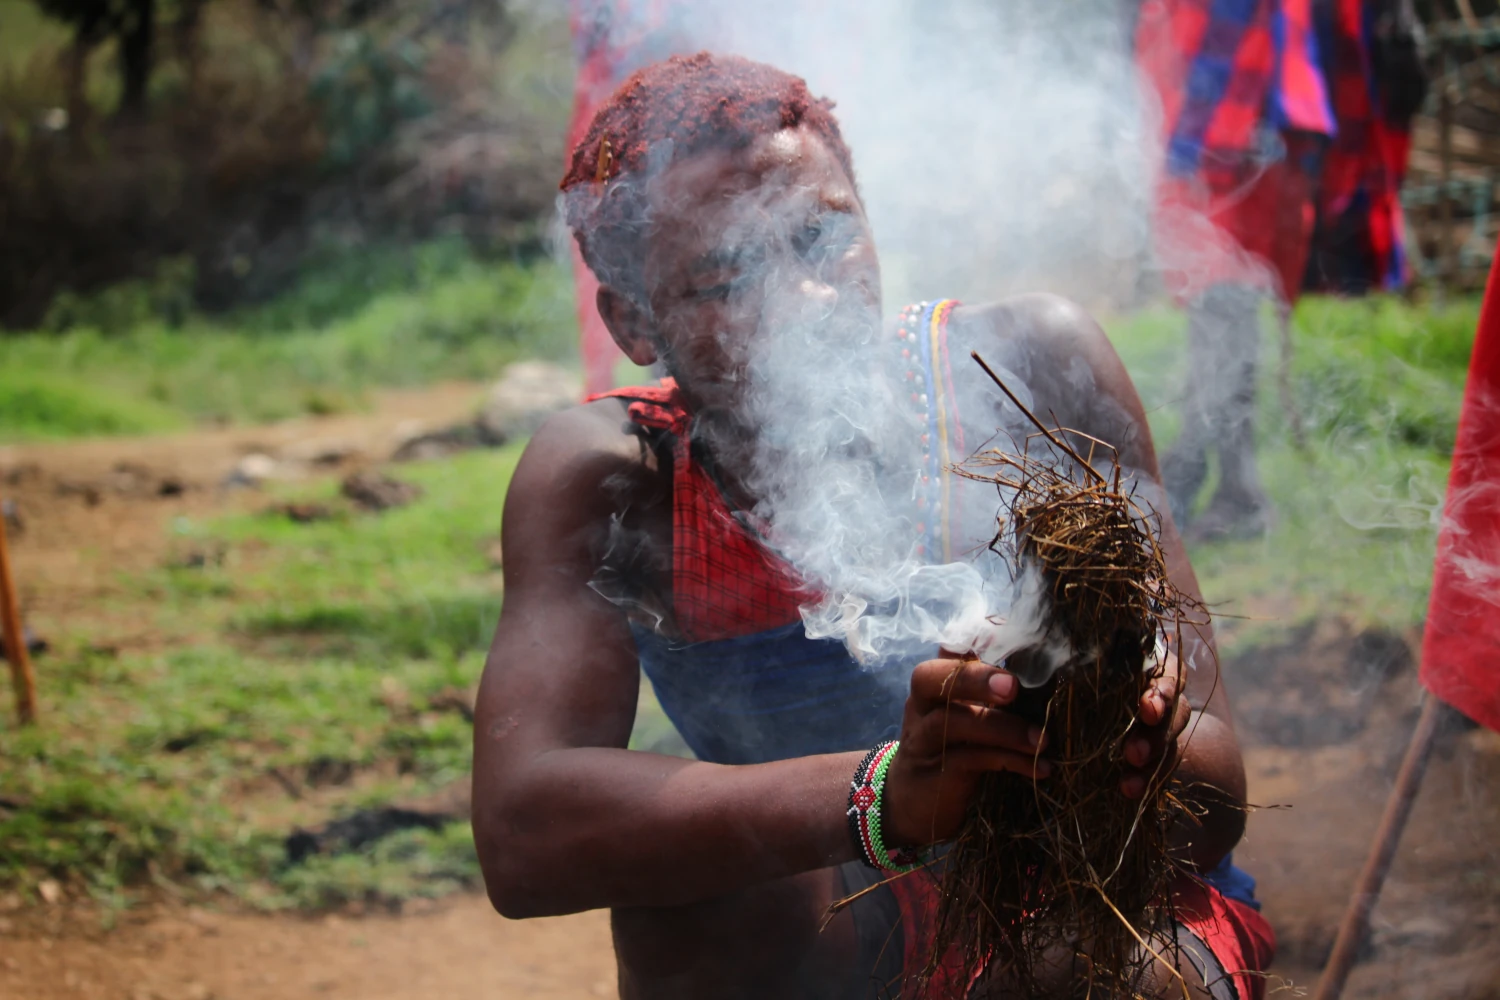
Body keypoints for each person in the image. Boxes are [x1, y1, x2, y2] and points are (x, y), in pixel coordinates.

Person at [473, 53, 1271, 999]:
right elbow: (525, 833)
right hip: (831, 930)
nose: (800, 303)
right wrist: (888, 794)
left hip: (1074, 896)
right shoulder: (619, 478)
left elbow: (1215, 800)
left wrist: (1102, 739)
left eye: (820, 239)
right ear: (635, 325)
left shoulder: (1026, 373)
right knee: (693, 907)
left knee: (1098, 971)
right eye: (723, 274)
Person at [1135, 0, 1336, 538]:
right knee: (1222, 316)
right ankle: (1220, 485)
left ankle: (1218, 487)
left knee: (1225, 312)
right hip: (1218, 136)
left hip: (1230, 139)